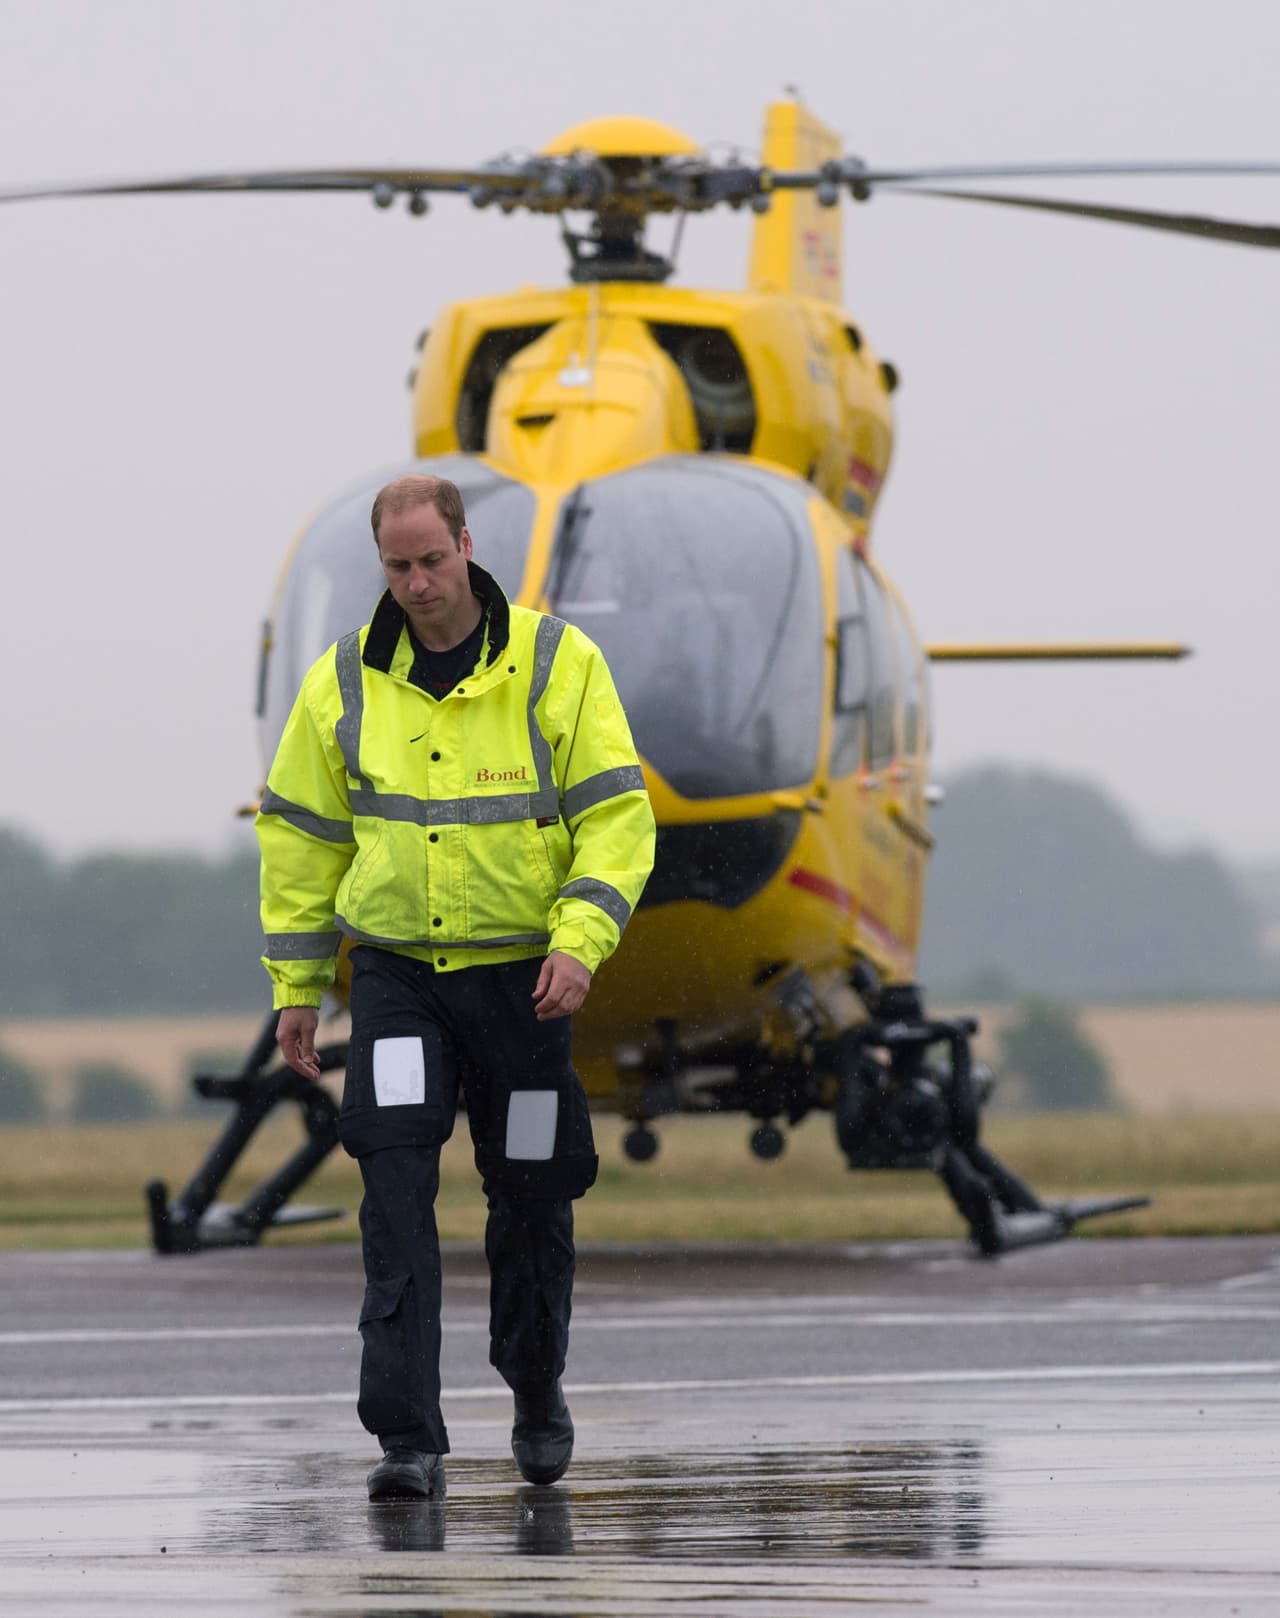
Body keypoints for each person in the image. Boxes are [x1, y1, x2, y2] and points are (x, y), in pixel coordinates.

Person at [256, 473, 655, 1501]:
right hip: (397, 977)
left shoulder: (559, 666)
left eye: (432, 560)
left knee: (531, 1194)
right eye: (397, 566)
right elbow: (299, 841)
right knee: (392, 1188)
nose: (417, 581)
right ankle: (408, 1439)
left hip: (525, 982)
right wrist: (298, 984)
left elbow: (616, 819)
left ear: (467, 546)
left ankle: (534, 1391)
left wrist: (581, 937)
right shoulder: (339, 683)